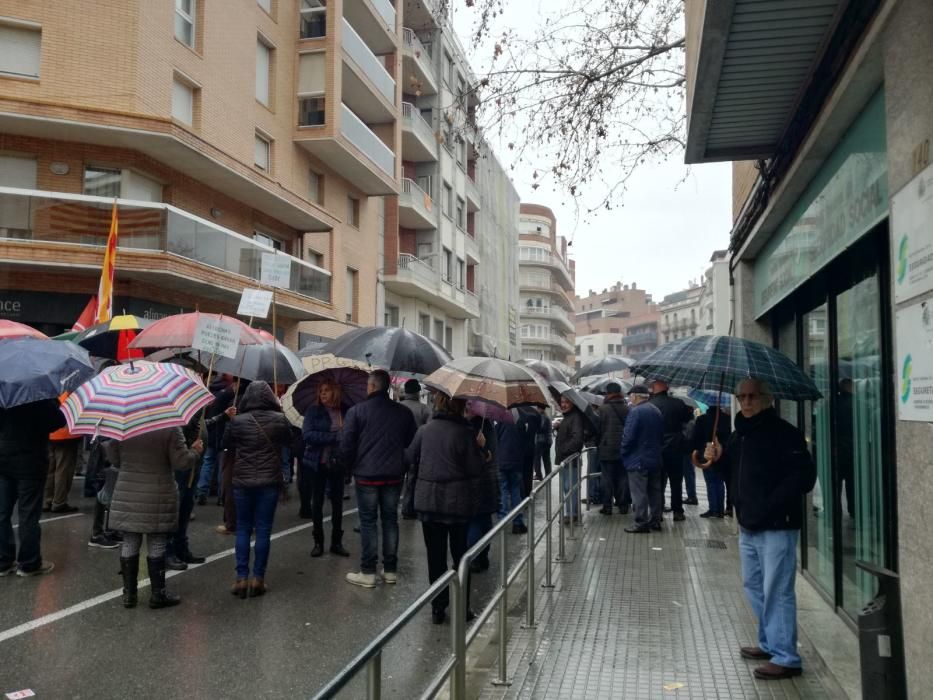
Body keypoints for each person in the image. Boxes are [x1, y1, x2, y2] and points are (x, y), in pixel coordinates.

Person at [704, 378, 816, 680]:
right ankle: (769, 643)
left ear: (768, 398)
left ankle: (787, 657)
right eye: (741, 396)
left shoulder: (786, 434)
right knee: (754, 586)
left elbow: (802, 478)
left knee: (777, 589)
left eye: (752, 396)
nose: (746, 402)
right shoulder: (738, 435)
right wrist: (717, 460)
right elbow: (733, 475)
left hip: (777, 525)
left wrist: (770, 507)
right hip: (748, 524)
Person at [406, 394, 486, 623]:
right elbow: (475, 469)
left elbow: (409, 457)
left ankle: (438, 608)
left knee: (435, 558)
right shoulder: (466, 434)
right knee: (461, 557)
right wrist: (482, 449)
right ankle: (462, 608)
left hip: (429, 503)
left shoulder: (425, 430)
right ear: (461, 406)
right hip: (457, 505)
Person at [107, 426, 202, 608]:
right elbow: (181, 462)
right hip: (158, 491)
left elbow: (114, 459)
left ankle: (129, 594)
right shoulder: (170, 428)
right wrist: (195, 451)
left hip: (128, 491)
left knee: (130, 540)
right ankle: (158, 594)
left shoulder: (123, 425)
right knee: (157, 540)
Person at [340, 369, 417, 588]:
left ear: (372, 386)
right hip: (394, 475)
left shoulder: (356, 412)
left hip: (366, 476)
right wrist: (403, 463)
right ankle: (390, 569)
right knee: (391, 520)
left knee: (368, 522)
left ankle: (368, 571)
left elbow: (347, 446)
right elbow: (411, 442)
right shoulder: (403, 413)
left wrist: (348, 468)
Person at [223, 381, 292, 598]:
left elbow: (226, 444)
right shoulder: (280, 420)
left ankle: (241, 578)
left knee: (243, 528)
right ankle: (258, 578)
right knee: (263, 530)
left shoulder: (238, 421)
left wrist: (231, 421)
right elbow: (290, 442)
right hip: (268, 482)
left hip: (242, 482)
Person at [0, 398, 66, 577]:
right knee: (28, 513)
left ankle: (3, 561)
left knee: (2, 512)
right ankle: (29, 563)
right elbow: (59, 420)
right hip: (31, 460)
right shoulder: (38, 396)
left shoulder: (4, 393)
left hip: (3, 457)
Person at [166, 405, 235, 570]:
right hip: (183, 465)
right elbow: (179, 438)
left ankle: (181, 548)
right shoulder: (179, 414)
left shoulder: (195, 410)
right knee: (176, 510)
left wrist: (223, 416)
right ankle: (168, 552)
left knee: (185, 508)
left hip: (194, 464)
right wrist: (192, 448)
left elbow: (204, 425)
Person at [301, 380, 350, 559]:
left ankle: (336, 542)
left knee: (337, 503)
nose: (323, 394)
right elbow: (307, 435)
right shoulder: (313, 411)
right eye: (321, 391)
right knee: (317, 503)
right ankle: (318, 542)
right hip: (317, 463)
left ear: (335, 392)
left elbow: (351, 434)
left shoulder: (344, 410)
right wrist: (333, 437)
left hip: (338, 463)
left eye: (327, 390)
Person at [621, 385, 664, 533]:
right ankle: (655, 520)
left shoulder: (636, 412)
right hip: (655, 458)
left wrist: (624, 452)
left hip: (638, 459)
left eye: (630, 396)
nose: (629, 399)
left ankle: (641, 522)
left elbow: (628, 437)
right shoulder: (656, 410)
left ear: (635, 396)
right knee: (655, 491)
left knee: (639, 492)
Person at [649, 380, 693, 522]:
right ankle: (677, 512)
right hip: (675, 447)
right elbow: (688, 418)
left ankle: (658, 511)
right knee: (676, 482)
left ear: (654, 389)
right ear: (667, 388)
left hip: (656, 448)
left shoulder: (649, 405)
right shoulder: (678, 403)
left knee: (657, 482)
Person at [465, 406, 497, 573]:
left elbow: (483, 456)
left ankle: (475, 559)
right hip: (488, 481)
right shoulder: (488, 425)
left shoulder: (474, 427)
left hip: (476, 481)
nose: (467, 410)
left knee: (475, 521)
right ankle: (483, 557)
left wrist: (482, 448)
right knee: (484, 520)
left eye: (469, 407)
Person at [195, 374, 236, 505]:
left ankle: (201, 491)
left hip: (208, 432)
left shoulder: (210, 391)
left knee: (208, 462)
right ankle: (221, 495)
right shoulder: (227, 394)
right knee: (222, 464)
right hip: (220, 432)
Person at [691, 403, 731, 518]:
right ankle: (720, 510)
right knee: (719, 482)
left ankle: (713, 509)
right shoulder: (727, 418)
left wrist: (698, 451)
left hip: (706, 454)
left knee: (710, 481)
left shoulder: (702, 419)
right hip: (722, 455)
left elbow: (696, 438)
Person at [597, 382, 630, 515]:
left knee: (607, 478)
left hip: (607, 449)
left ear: (608, 393)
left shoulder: (603, 409)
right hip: (624, 448)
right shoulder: (627, 408)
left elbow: (598, 429)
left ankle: (607, 506)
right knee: (623, 477)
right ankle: (623, 505)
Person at [45, 393, 81, 514]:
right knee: (63, 470)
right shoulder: (72, 390)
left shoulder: (50, 387)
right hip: (66, 434)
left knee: (50, 469)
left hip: (50, 433)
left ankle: (47, 500)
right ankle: (59, 502)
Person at [495, 416, 529, 534]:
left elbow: (495, 439)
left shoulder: (499, 420)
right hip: (516, 462)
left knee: (503, 490)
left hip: (501, 461)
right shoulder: (520, 420)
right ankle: (518, 523)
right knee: (515, 491)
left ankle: (502, 522)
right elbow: (525, 440)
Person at [554, 395, 586, 523]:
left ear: (573, 404)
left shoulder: (575, 417)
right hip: (566, 459)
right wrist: (559, 427)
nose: (563, 404)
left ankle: (571, 515)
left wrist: (563, 450)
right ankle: (572, 513)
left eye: (567, 402)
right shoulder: (569, 417)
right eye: (562, 402)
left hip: (569, 459)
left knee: (570, 487)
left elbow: (577, 440)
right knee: (568, 487)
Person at [532, 406, 552, 480]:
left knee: (537, 458)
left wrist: (535, 427)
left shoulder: (542, 417)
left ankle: (538, 475)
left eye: (538, 408)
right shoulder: (547, 416)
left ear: (541, 408)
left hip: (541, 441)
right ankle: (549, 474)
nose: (537, 410)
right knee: (546, 458)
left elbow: (541, 428)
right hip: (548, 441)